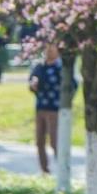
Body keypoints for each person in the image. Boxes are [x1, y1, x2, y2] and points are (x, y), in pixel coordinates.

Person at [28, 44, 62, 174]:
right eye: (47, 48)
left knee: (55, 141)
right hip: (40, 107)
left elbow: (71, 86)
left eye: (51, 48)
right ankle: (44, 170)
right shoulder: (39, 67)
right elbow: (32, 81)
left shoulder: (60, 67)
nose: (49, 51)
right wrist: (33, 84)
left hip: (55, 109)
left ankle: (62, 168)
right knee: (40, 141)